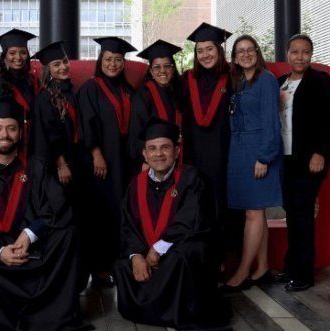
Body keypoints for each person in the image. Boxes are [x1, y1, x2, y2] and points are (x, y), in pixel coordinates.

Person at [0, 96, 92, 331]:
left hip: (34, 257)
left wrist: (30, 234)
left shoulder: (36, 168)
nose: (4, 134)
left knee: (69, 233)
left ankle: (51, 313)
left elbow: (58, 208)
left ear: (20, 133)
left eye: (11, 128)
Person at [114, 117, 232, 331]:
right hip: (147, 253)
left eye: (165, 147)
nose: (159, 154)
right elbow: (127, 225)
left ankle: (176, 311)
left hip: (177, 250)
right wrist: (135, 256)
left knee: (184, 255)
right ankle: (151, 309)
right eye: (152, 149)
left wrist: (158, 249)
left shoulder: (192, 179)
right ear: (144, 154)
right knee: (122, 264)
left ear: (177, 151)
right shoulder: (135, 185)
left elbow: (193, 220)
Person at [274, 34, 330, 291]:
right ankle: (291, 268)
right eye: (295, 52)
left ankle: (303, 275)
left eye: (305, 52)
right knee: (292, 215)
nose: (300, 56)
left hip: (308, 160)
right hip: (285, 160)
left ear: (311, 55)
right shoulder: (280, 83)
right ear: (288, 54)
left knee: (302, 216)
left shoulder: (320, 81)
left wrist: (320, 152)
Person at [222, 35, 282, 291]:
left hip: (259, 151)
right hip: (240, 151)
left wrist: (264, 156)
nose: (245, 54)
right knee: (257, 212)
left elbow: (271, 120)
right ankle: (263, 266)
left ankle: (243, 272)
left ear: (257, 53)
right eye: (240, 51)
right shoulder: (239, 82)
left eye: (250, 50)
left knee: (253, 213)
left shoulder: (266, 80)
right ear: (234, 57)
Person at [182, 23, 243, 273]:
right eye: (200, 51)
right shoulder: (187, 79)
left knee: (224, 207)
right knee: (198, 206)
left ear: (219, 50)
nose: (205, 55)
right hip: (195, 154)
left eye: (209, 49)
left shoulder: (233, 76)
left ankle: (221, 261)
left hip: (225, 154)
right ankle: (199, 260)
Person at [77, 37, 136, 287]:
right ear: (101, 61)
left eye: (118, 60)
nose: (113, 64)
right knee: (100, 212)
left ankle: (117, 263)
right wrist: (96, 153)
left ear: (124, 63)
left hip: (124, 161)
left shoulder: (127, 90)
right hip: (100, 162)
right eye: (109, 59)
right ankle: (99, 268)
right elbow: (86, 121)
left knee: (119, 211)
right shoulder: (91, 88)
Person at [129, 39, 183, 172]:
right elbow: (137, 132)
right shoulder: (143, 96)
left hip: (179, 156)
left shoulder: (179, 92)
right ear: (151, 72)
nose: (162, 71)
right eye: (157, 67)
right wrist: (145, 161)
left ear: (173, 68)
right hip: (155, 161)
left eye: (167, 66)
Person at [30, 41, 80, 186]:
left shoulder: (71, 91)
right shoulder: (44, 98)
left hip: (75, 157)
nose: (63, 67)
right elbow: (49, 135)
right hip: (59, 163)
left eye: (65, 62)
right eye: (56, 64)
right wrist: (61, 165)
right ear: (48, 70)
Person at [0, 29, 37, 164]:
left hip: (34, 139)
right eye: (12, 53)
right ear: (4, 56)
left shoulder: (33, 81)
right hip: (10, 139)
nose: (18, 57)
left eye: (23, 52)